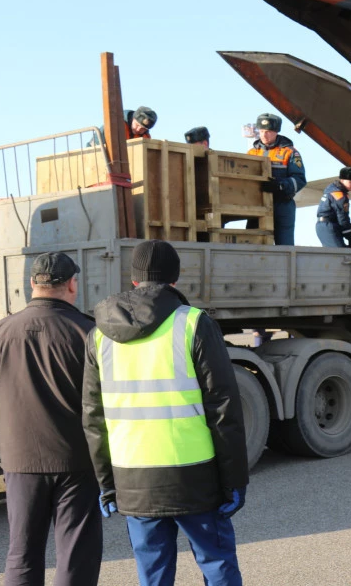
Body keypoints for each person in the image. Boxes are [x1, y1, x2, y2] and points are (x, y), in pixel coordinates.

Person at [82, 240, 249, 586]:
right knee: (217, 565)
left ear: (133, 281)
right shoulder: (192, 324)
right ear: (175, 279)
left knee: (153, 575)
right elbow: (223, 408)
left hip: (133, 479)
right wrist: (234, 479)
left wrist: (106, 484)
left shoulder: (99, 335)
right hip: (195, 478)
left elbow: (93, 418)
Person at [0, 253, 103, 585]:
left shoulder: (0, 332)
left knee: (22, 553)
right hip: (76, 460)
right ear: (72, 284)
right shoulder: (88, 333)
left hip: (19, 459)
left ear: (32, 284)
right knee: (76, 553)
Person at [247, 113, 306, 246]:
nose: (264, 135)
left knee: (285, 246)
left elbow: (300, 180)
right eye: (261, 131)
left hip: (282, 205)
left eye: (267, 131)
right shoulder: (252, 152)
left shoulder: (290, 152)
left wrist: (280, 186)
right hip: (257, 206)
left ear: (276, 131)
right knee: (251, 243)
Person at [316, 167, 351, 248]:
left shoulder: (332, 190)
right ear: (342, 180)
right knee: (341, 256)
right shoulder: (339, 195)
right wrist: (350, 236)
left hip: (324, 226)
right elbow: (342, 217)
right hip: (329, 226)